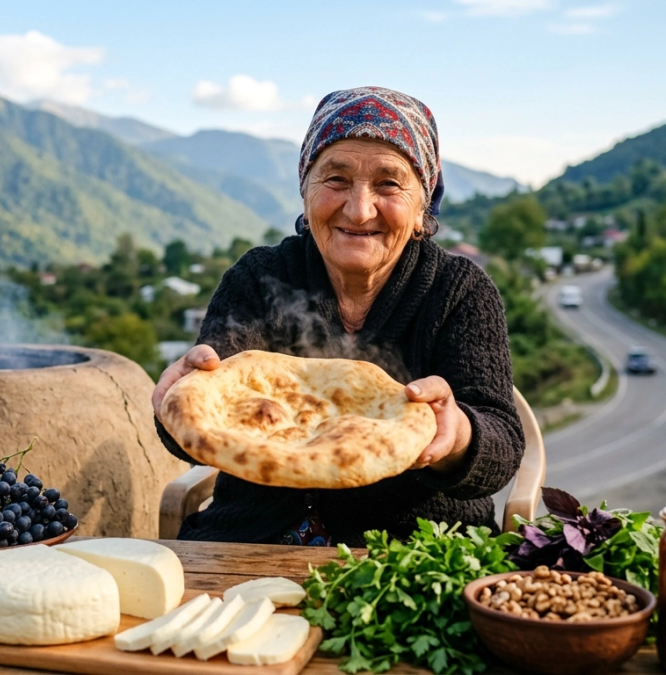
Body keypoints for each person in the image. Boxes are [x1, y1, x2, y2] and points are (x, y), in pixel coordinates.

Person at [150, 87, 524, 547]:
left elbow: (503, 445)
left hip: (412, 551)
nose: (359, 209)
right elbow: (204, 413)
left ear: (423, 204)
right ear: (305, 188)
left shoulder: (459, 290)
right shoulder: (259, 276)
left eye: (388, 183)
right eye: (336, 180)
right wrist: (178, 398)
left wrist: (458, 434)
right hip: (250, 541)